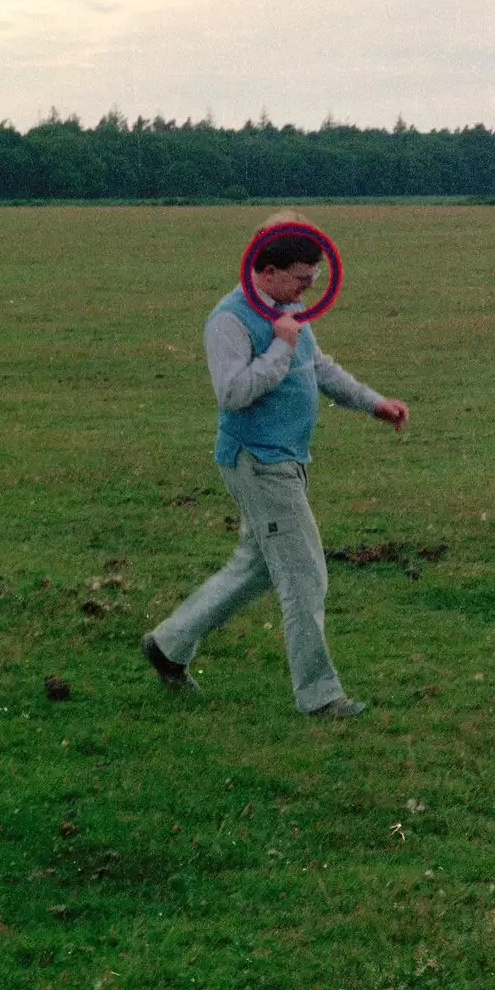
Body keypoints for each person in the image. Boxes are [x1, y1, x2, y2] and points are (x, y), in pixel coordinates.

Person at [142, 213, 408, 717]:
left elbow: (319, 366)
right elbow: (233, 393)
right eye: (301, 278)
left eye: (313, 281)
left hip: (286, 460)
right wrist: (281, 347)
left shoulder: (289, 309)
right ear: (267, 271)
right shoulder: (229, 320)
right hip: (258, 463)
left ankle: (167, 645)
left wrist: (373, 403)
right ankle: (320, 696)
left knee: (257, 567)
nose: (308, 289)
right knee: (304, 575)